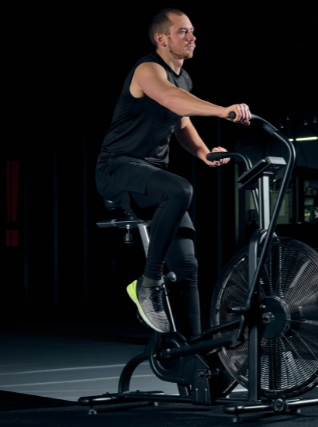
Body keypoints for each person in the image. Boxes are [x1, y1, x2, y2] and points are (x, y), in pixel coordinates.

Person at [95, 8, 251, 336]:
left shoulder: (184, 78)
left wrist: (204, 152)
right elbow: (172, 100)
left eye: (192, 30)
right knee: (180, 189)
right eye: (183, 32)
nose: (192, 37)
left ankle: (193, 362)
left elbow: (181, 123)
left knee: (188, 268)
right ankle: (147, 283)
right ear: (161, 38)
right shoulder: (148, 69)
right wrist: (225, 112)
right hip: (118, 168)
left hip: (151, 177)